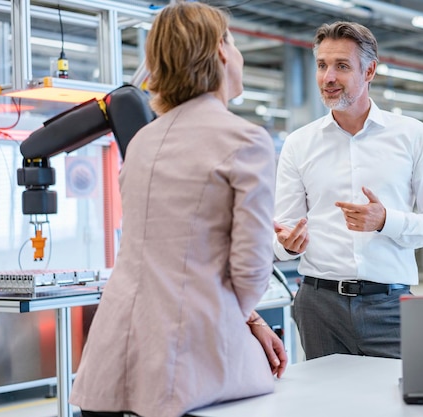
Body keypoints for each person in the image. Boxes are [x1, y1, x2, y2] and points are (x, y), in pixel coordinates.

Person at [69, 2, 287, 417]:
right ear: (222, 51)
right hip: (183, 369)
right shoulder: (245, 140)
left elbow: (158, 256)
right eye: (236, 44)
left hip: (110, 364)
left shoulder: (144, 142)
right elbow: (251, 271)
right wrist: (234, 321)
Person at [273, 21, 423, 360]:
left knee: (400, 406)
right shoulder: (299, 144)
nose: (328, 77)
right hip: (319, 307)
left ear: (369, 70)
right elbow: (282, 230)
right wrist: (285, 245)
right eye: (322, 65)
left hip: (390, 307)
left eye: (341, 66)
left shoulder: (411, 135)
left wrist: (387, 220)